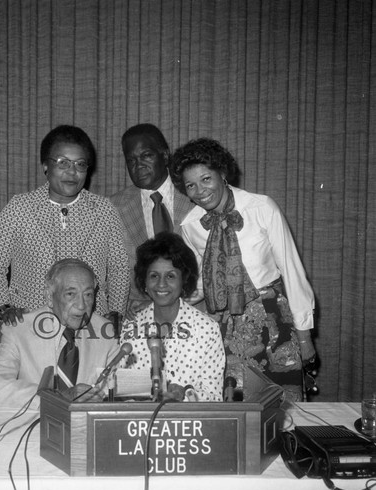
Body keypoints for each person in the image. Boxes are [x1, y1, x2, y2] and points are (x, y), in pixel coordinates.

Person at [169, 137, 316, 401]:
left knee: (282, 409)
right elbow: (206, 280)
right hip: (226, 326)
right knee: (233, 407)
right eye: (190, 185)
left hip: (274, 321)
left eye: (206, 179)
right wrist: (171, 301)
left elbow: (292, 270)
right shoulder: (190, 225)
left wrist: (304, 336)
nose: (200, 191)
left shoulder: (261, 207)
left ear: (222, 173)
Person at [0, 124, 129, 325]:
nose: (72, 172)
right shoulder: (19, 208)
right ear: (45, 165)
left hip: (91, 324)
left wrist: (116, 312)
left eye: (80, 164)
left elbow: (118, 267)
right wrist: (3, 308)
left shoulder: (103, 210)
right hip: (32, 324)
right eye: (63, 163)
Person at [0, 259, 120, 408]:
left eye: (88, 295)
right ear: (49, 296)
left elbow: (123, 388)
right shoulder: (19, 330)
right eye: (70, 294)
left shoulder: (107, 332)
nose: (81, 305)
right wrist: (56, 397)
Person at [119, 232, 225, 402]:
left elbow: (214, 398)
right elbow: (123, 391)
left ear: (184, 280)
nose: (161, 284)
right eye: (154, 276)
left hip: (190, 425)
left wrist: (185, 394)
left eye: (170, 276)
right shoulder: (132, 325)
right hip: (142, 423)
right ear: (144, 281)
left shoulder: (207, 329)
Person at [110, 124, 194, 318]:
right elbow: (112, 271)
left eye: (146, 155)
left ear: (165, 156)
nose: (138, 165)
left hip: (194, 315)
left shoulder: (194, 196)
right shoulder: (113, 208)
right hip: (137, 317)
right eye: (131, 160)